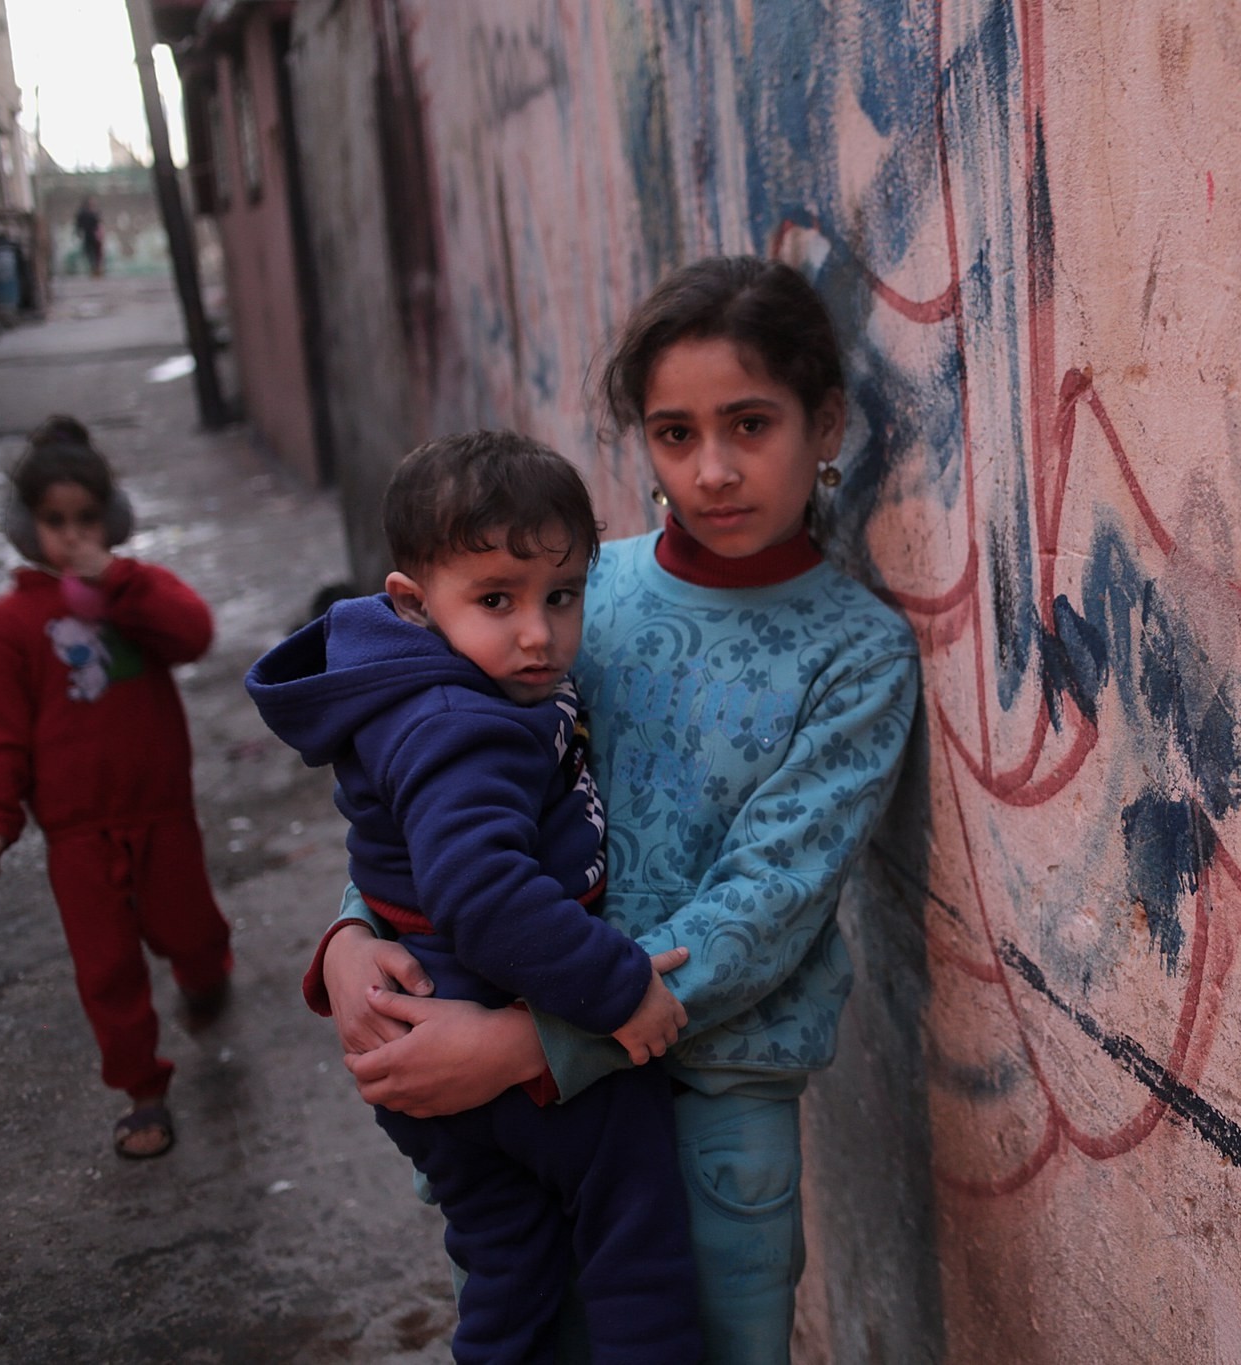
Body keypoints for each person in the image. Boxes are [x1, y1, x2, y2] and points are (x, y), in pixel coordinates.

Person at [315, 256, 922, 1362]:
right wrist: (353, 931)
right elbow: (439, 786)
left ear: (826, 423)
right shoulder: (569, 594)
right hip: (515, 1111)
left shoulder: (857, 653)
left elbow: (766, 904)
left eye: (750, 425)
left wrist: (529, 1045)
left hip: (708, 1103)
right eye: (675, 434)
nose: (713, 470)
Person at [246, 431, 702, 1365]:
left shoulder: (430, 688)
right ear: (414, 602)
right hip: (482, 1006)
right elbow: (482, 895)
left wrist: (348, 933)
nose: (538, 633)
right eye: (496, 600)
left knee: (508, 1262)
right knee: (636, 1230)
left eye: (561, 595)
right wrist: (620, 988)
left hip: (421, 1037)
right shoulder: (460, 720)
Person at [0, 416, 232, 1159]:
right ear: (27, 527)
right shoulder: (12, 622)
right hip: (77, 832)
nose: (74, 537)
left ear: (111, 518)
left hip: (161, 811)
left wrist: (116, 580)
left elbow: (195, 633)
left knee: (191, 930)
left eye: (87, 519)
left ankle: (207, 975)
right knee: (106, 968)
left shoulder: (137, 592)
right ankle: (143, 1089)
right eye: (56, 522)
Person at [74, 198, 104, 278]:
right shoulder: (83, 213)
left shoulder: (96, 212)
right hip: (88, 235)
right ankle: (93, 269)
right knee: (89, 253)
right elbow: (79, 224)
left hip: (96, 236)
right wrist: (78, 232)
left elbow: (99, 224)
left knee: (97, 254)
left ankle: (97, 270)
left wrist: (100, 233)